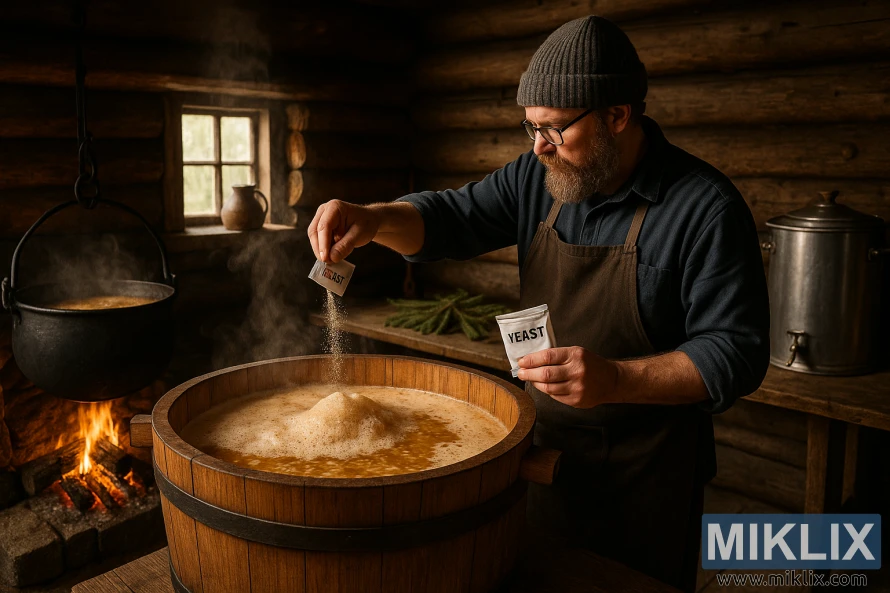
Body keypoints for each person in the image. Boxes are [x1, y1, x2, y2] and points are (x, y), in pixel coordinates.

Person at [307, 15, 769, 592]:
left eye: (553, 129)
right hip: (542, 455)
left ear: (618, 115)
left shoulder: (705, 208)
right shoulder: (538, 177)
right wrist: (373, 219)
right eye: (529, 127)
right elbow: (449, 219)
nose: (538, 147)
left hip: (647, 482)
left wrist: (616, 379)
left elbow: (736, 353)